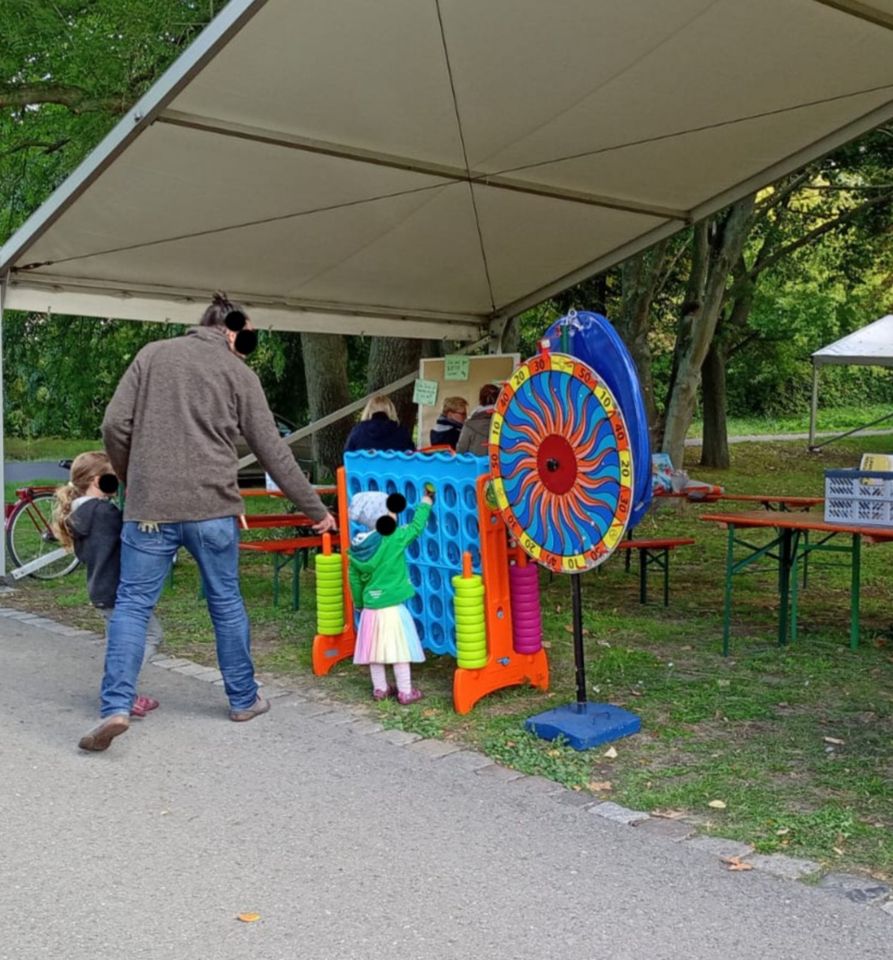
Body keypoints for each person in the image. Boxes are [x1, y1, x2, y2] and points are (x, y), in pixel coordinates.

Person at [78, 292, 337, 752]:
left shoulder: (152, 355)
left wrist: (132, 476)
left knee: (133, 605)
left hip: (150, 510)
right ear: (232, 329)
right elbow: (273, 451)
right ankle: (242, 699)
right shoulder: (239, 374)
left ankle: (115, 706)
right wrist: (317, 512)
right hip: (213, 510)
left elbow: (114, 425)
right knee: (225, 603)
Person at [53, 451, 162, 719]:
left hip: (100, 589)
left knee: (118, 644)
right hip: (116, 591)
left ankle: (120, 690)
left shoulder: (79, 512)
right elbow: (131, 527)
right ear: (96, 480)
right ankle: (120, 691)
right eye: (112, 477)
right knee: (150, 636)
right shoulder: (103, 512)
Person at [348, 489, 433, 705]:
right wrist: (425, 503)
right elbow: (416, 528)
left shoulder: (357, 548)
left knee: (374, 650)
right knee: (399, 650)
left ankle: (380, 689)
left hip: (370, 608)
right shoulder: (393, 537)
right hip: (393, 608)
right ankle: (405, 691)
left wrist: (359, 603)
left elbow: (355, 580)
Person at [344, 395, 414, 454]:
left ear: (368, 411)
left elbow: (348, 456)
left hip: (364, 470)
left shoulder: (357, 431)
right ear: (391, 411)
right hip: (393, 470)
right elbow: (410, 456)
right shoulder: (402, 432)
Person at [456, 383, 500, 456]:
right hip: (500, 465)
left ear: (480, 399)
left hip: (474, 465)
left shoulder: (470, 423)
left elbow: (461, 450)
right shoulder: (506, 421)